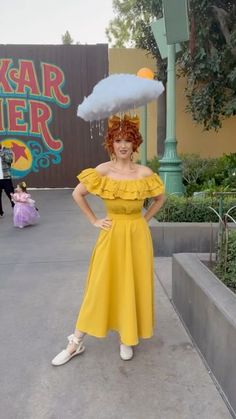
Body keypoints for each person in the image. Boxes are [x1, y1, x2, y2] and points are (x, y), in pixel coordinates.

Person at [52, 115, 165, 366]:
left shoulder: (144, 173)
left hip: (137, 235)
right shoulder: (103, 170)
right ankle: (75, 342)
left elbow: (160, 198)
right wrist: (94, 220)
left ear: (135, 144)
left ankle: (127, 336)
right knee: (99, 286)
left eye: (128, 140)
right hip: (111, 234)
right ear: (111, 143)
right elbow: (78, 193)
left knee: (131, 284)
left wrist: (144, 219)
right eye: (118, 140)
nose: (123, 145)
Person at [0, 143, 14, 217]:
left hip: (6, 177)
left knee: (11, 195)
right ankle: (0, 212)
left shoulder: (7, 150)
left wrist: (1, 153)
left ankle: (16, 208)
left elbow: (10, 160)